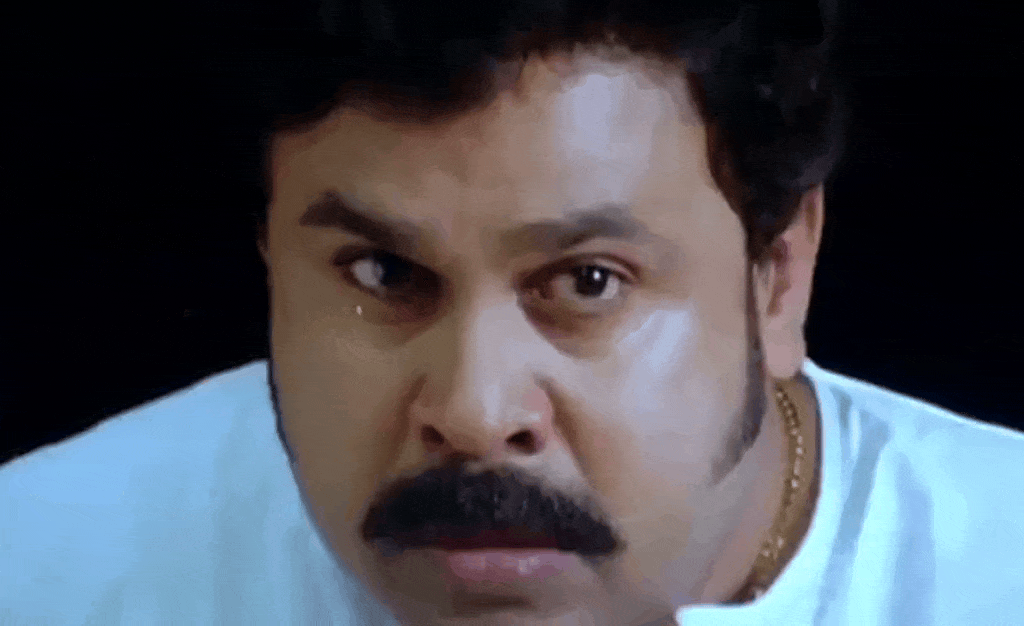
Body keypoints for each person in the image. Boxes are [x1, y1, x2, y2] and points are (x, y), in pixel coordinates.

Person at [2, 1, 1022, 624]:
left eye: (587, 282)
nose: (474, 411)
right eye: (382, 273)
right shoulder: (39, 566)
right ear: (270, 257)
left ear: (778, 277)